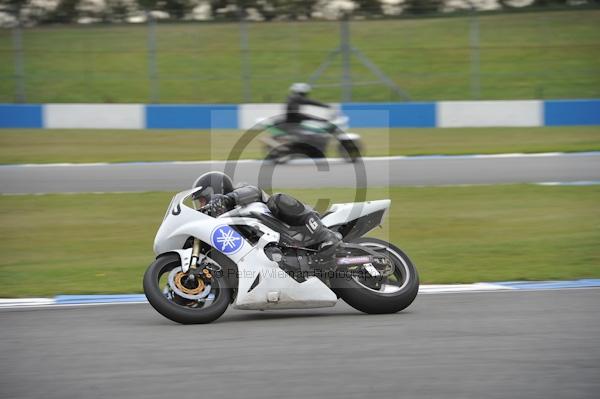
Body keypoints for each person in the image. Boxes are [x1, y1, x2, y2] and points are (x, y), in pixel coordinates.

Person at [191, 171, 340, 263]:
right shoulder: (225, 225)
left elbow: (254, 191)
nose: (202, 206)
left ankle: (326, 236)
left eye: (203, 201)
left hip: (297, 228)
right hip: (281, 250)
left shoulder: (240, 193)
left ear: (214, 191)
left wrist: (228, 199)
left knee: (277, 200)